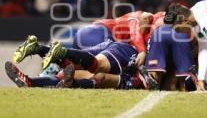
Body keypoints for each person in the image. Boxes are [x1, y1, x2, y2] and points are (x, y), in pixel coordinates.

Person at [8, 38, 157, 90]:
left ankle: (31, 81)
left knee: (71, 74)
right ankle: (61, 55)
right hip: (128, 53)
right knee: (98, 70)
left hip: (115, 50)